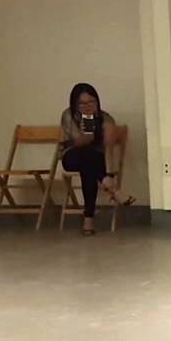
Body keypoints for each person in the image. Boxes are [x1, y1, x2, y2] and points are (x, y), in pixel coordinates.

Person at [59, 82, 134, 236]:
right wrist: (89, 119)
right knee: (87, 156)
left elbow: (108, 149)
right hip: (72, 155)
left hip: (95, 160)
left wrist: (110, 173)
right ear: (75, 103)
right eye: (82, 103)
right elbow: (80, 141)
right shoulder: (68, 114)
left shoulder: (106, 118)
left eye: (91, 102)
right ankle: (113, 189)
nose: (87, 106)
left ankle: (88, 220)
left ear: (97, 101)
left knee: (89, 169)